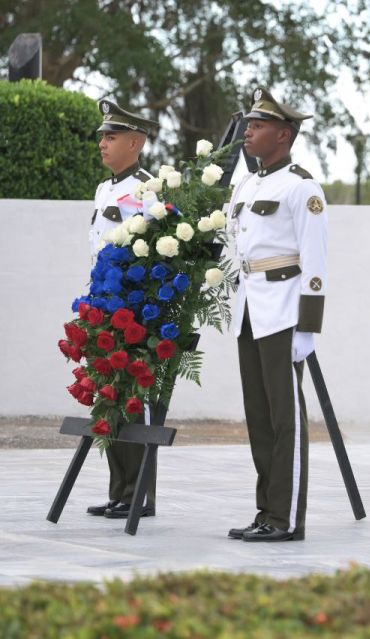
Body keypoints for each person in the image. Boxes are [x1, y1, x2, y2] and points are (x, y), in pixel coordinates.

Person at [226, 87, 328, 542]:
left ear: (283, 135)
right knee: (259, 415)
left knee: (285, 418)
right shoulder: (249, 183)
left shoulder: (301, 186)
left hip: (283, 311)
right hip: (250, 309)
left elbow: (315, 260)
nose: (248, 130)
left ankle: (284, 519)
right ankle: (265, 510)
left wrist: (307, 326)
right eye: (249, 123)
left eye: (258, 125)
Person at [86, 100, 160, 520]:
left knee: (132, 399)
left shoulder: (149, 188)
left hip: (132, 309)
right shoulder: (104, 189)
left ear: (135, 142)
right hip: (101, 304)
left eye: (111, 137)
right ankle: (119, 491)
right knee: (107, 396)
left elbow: (157, 254)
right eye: (102, 136)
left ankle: (137, 495)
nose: (103, 143)